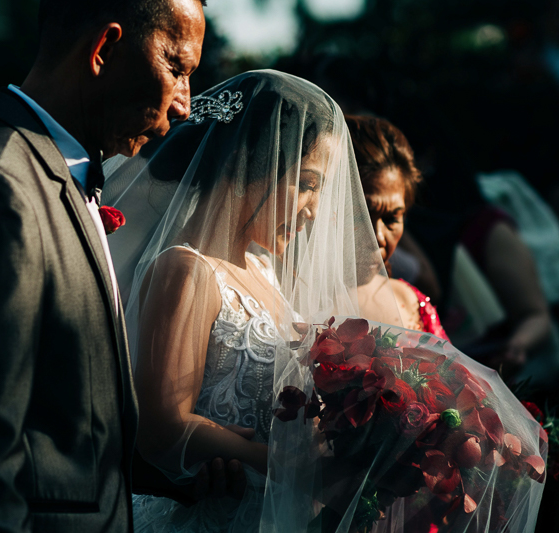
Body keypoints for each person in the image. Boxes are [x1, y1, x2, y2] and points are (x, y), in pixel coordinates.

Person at [103, 71, 545, 532]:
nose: (315, 208)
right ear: (250, 165)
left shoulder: (265, 271)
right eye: (308, 183)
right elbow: (160, 426)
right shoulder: (186, 270)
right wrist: (287, 466)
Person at [0, 1, 207, 532]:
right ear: (104, 49)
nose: (185, 106)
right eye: (178, 69)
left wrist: (180, 477)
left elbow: (59, 427)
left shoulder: (51, 176)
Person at [345, 115, 449, 340]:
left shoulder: (410, 302)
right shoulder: (287, 304)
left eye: (392, 219)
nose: (378, 237)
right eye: (360, 216)